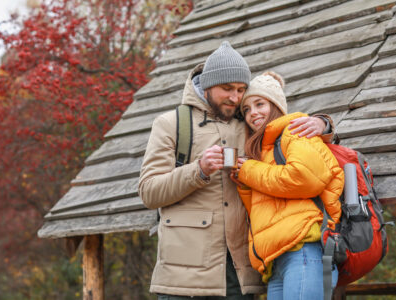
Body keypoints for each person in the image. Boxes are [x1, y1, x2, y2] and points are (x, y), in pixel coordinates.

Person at [138, 41, 333, 299]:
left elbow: (286, 126)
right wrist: (198, 170)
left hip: (240, 278)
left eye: (241, 89)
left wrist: (323, 123)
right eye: (227, 88)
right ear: (207, 85)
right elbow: (149, 192)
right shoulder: (171, 124)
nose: (235, 97)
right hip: (181, 279)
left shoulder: (250, 123)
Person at [233, 71, 344, 299]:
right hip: (277, 260)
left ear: (275, 105)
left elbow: (303, 179)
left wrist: (249, 171)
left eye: (259, 104)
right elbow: (266, 209)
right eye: (247, 109)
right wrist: (245, 184)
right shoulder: (263, 151)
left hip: (304, 249)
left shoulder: (295, 131)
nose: (253, 113)